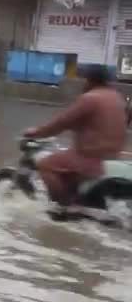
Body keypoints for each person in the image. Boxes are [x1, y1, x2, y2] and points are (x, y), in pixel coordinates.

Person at [24, 65, 129, 207]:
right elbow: (98, 123)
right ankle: (73, 197)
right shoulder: (117, 98)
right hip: (111, 157)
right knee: (66, 167)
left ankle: (61, 207)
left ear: (90, 80)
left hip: (88, 157)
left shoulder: (90, 98)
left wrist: (37, 132)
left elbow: (61, 122)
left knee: (45, 165)